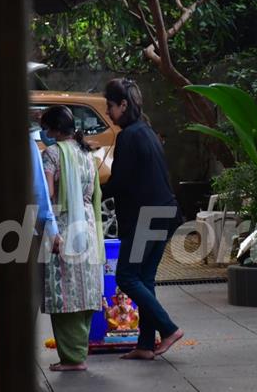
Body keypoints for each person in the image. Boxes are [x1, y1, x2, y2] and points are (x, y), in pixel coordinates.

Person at [102, 78, 184, 360]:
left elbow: (119, 183)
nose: (108, 113)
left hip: (147, 218)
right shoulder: (145, 131)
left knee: (126, 276)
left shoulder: (129, 136)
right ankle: (146, 345)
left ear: (123, 105)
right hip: (166, 213)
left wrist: (92, 192)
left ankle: (169, 328)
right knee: (144, 279)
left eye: (110, 106)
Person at [39, 105, 105, 372]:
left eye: (46, 127)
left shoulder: (52, 154)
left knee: (64, 293)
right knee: (85, 289)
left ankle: (72, 358)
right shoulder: (86, 154)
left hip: (64, 229)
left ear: (53, 130)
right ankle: (79, 353)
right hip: (88, 226)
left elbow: (48, 194)